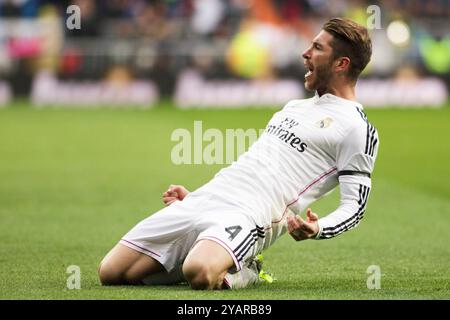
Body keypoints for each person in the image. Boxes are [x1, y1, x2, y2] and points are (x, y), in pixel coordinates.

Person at [98, 17, 379, 290]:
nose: (305, 53)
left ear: (341, 64)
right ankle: (213, 248)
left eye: (317, 48)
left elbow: (355, 206)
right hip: (209, 196)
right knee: (112, 273)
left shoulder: (356, 128)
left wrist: (319, 228)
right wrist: (195, 196)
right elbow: (257, 165)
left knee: (199, 273)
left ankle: (245, 269)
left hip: (251, 214)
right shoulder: (293, 107)